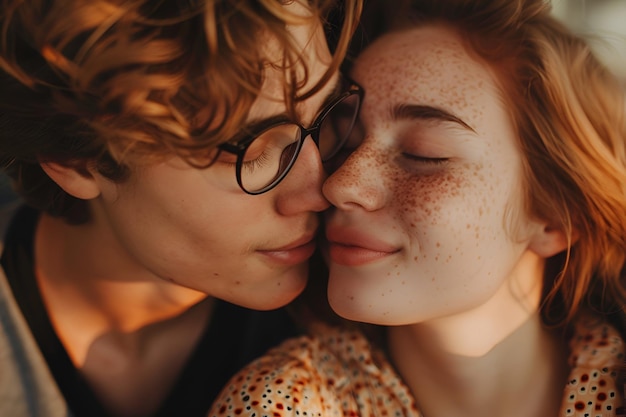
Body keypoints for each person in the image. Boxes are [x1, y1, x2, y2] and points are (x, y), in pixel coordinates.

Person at [208, 0, 626, 416]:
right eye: (344, 140)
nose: (341, 184)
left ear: (554, 216)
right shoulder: (281, 404)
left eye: (423, 154)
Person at [0, 0, 363, 416]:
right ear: (77, 160)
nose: (320, 191)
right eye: (250, 149)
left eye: (325, 118)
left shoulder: (363, 325)